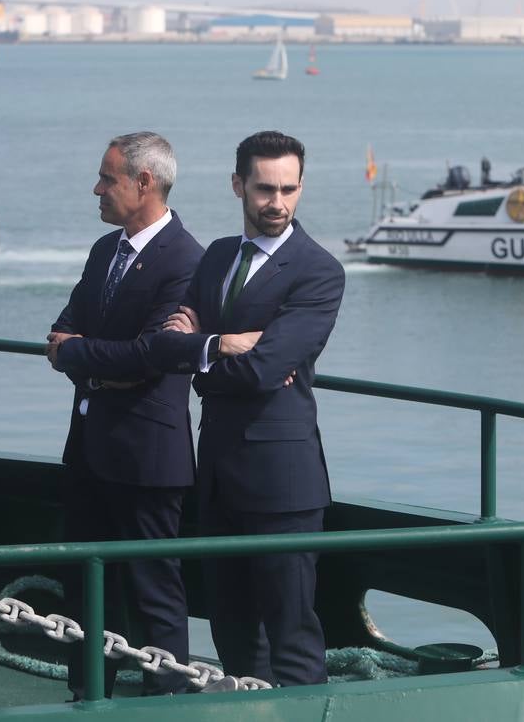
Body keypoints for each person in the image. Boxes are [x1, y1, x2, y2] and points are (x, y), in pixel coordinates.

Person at [153, 130, 345, 687]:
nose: (277, 202)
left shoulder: (318, 271)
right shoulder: (216, 257)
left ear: (302, 187)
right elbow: (167, 344)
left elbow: (266, 370)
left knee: (291, 633)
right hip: (216, 473)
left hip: (283, 482)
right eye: (264, 188)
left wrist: (204, 352)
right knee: (232, 630)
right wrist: (221, 345)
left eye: (289, 189)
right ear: (238, 185)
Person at [46, 133, 203, 698]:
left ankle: (167, 703)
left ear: (145, 183)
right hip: (90, 444)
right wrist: (89, 359)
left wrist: (81, 353)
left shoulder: (187, 260)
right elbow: (61, 331)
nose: (97, 188)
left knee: (152, 589)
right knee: (85, 587)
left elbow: (153, 357)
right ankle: (87, 696)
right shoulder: (104, 250)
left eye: (108, 178)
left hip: (146, 455)